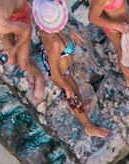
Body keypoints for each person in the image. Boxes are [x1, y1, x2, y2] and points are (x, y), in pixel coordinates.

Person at [32, 0, 106, 137]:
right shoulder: (52, 43)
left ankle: (81, 104)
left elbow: (59, 24)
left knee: (76, 89)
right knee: (73, 99)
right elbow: (54, 73)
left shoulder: (48, 24)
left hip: (65, 67)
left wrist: (69, 31)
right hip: (61, 73)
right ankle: (89, 127)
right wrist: (67, 88)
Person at [87, 0, 129, 88]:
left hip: (123, 21)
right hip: (115, 28)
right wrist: (118, 26)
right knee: (121, 50)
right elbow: (92, 18)